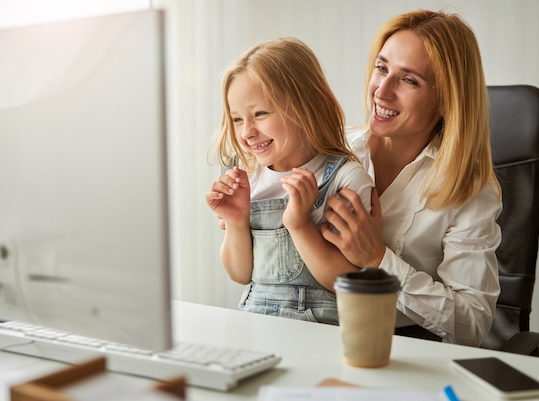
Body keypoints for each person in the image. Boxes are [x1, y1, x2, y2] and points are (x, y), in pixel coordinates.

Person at [320, 10, 502, 346]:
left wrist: (378, 258)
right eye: (382, 67)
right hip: (312, 332)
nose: (382, 90)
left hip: (400, 348)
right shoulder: (333, 150)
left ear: (447, 100)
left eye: (409, 80)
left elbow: (472, 324)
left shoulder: (470, 189)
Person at [206, 37, 373, 325]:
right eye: (236, 119)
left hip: (322, 330)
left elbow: (348, 282)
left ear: (305, 105)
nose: (246, 132)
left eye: (260, 114)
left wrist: (300, 224)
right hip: (255, 321)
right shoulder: (246, 176)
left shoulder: (345, 178)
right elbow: (240, 274)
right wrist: (236, 221)